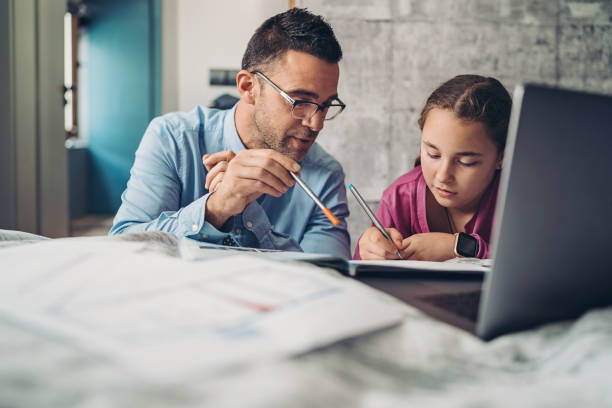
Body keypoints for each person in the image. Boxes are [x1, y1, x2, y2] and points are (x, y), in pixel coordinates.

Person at [110, 8, 351, 257]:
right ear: (248, 87)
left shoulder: (325, 176)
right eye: (300, 102)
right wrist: (216, 208)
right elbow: (124, 249)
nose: (316, 124)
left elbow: (326, 274)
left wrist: (247, 213)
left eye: (326, 105)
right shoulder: (173, 138)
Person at [354, 75, 512, 261]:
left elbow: (538, 264)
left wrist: (459, 247)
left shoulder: (520, 199)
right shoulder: (398, 199)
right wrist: (369, 252)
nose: (443, 176)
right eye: (433, 154)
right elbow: (358, 279)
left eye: (466, 162)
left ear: (502, 156)